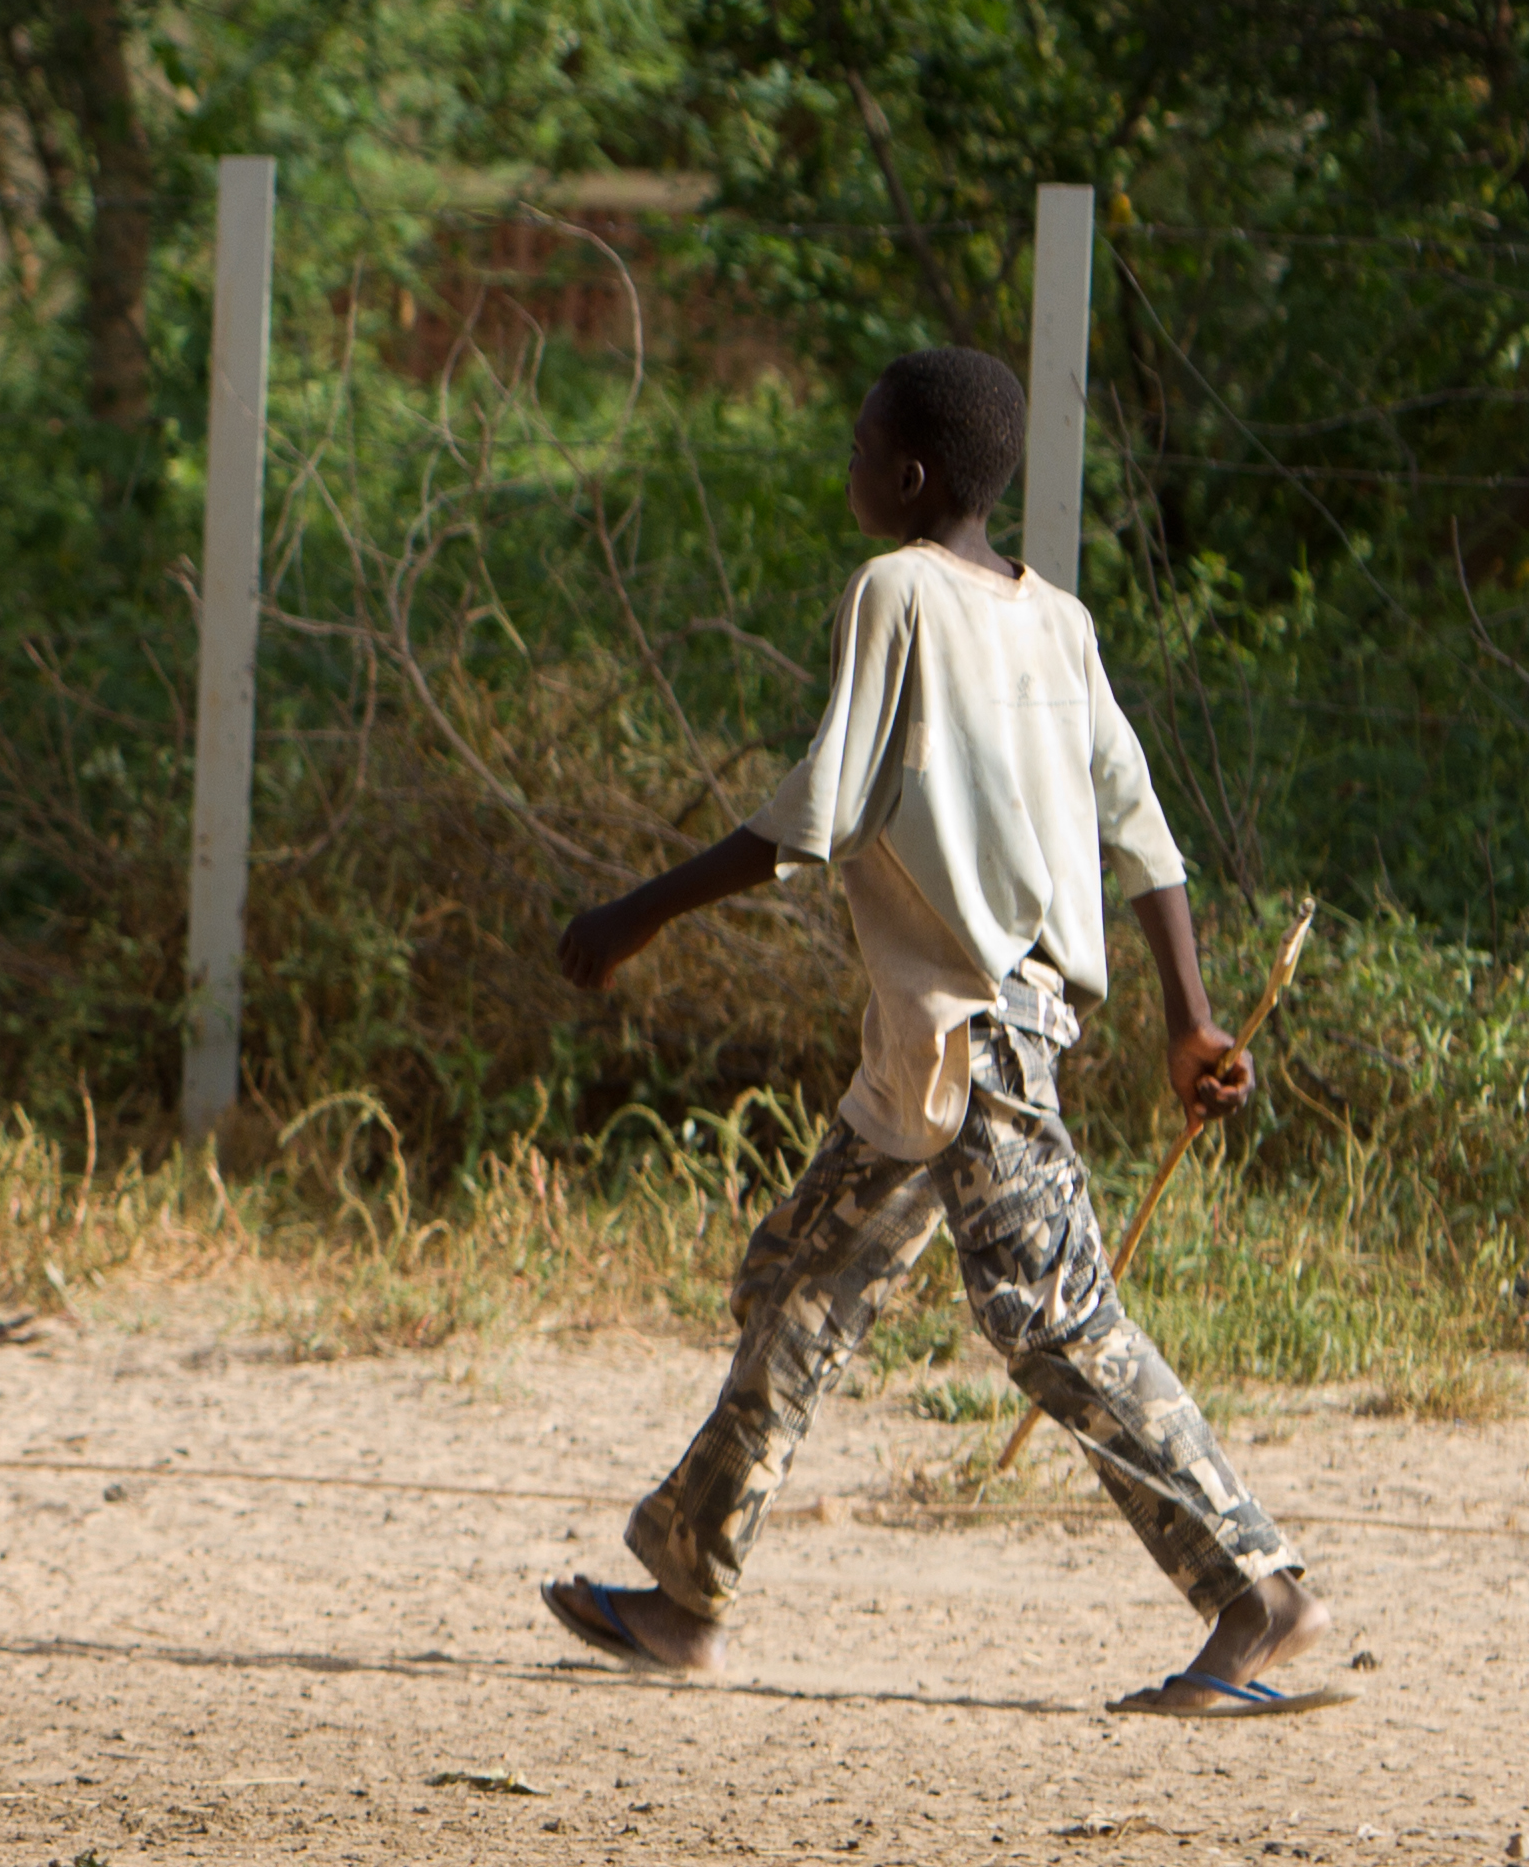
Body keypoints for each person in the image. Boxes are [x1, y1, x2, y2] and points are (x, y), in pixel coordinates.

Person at [543, 347, 1334, 1717]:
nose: (847, 467)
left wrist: (635, 914)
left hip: (983, 1040)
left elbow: (816, 811)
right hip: (944, 1046)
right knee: (801, 1280)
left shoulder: (895, 590)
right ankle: (685, 1590)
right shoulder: (1059, 623)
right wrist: (1188, 1022)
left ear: (908, 477)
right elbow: (1146, 835)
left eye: (859, 449)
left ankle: (1255, 1589)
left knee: (1055, 1316)